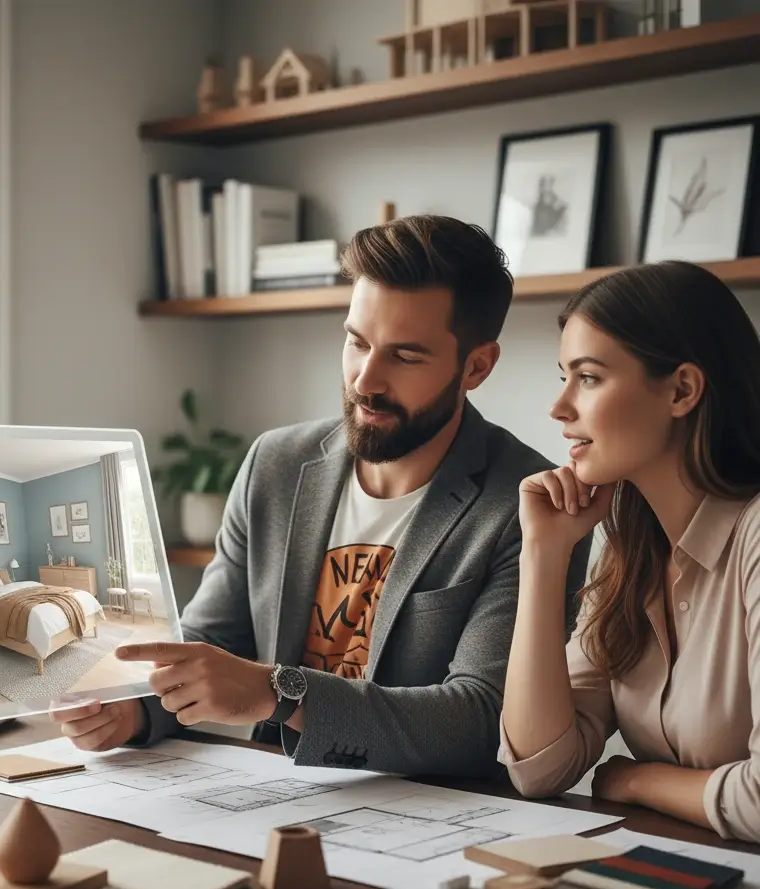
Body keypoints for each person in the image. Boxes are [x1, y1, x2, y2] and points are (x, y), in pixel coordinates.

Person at [53, 214, 590, 777]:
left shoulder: (529, 506)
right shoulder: (276, 463)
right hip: (270, 791)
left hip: (431, 811)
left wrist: (279, 693)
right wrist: (133, 708)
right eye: (357, 342)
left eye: (405, 356)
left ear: (476, 366)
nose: (365, 380)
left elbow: (482, 718)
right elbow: (214, 638)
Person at [500, 260, 760, 844]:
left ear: (682, 390)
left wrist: (639, 781)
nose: (559, 407)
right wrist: (543, 555)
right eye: (564, 377)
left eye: (589, 378)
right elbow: (539, 767)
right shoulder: (630, 553)